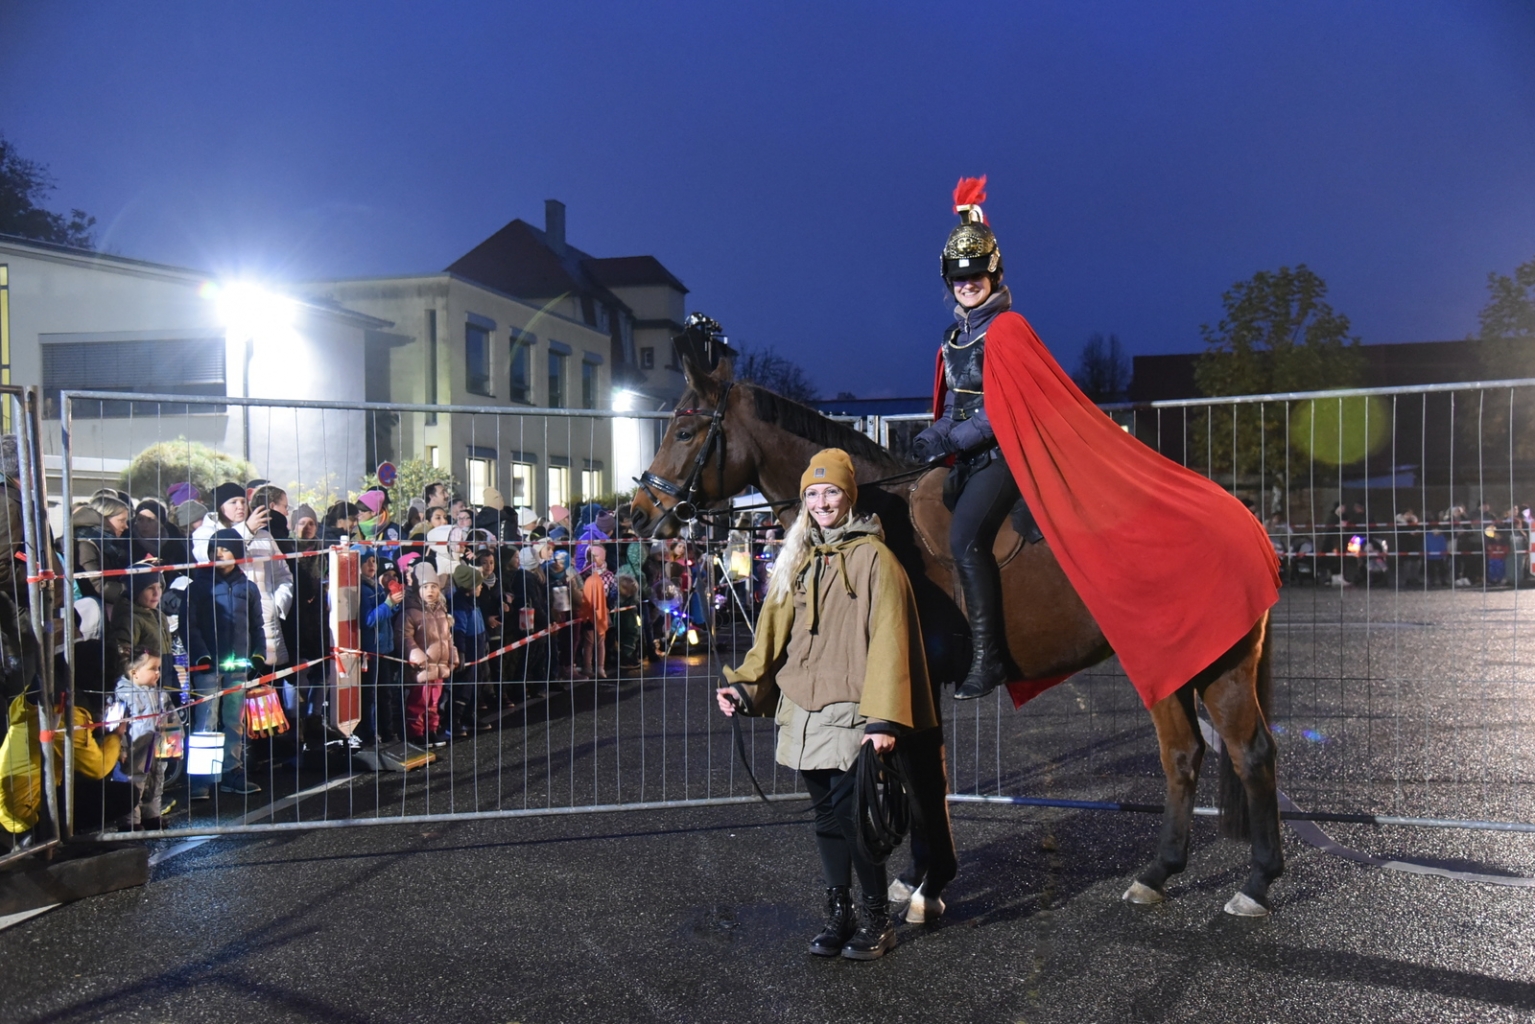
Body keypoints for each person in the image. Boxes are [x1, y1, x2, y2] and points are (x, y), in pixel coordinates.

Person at [910, 176, 1279, 705]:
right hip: (970, 453)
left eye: (976, 277)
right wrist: (935, 433)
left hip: (1005, 454)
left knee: (965, 536)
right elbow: (960, 402)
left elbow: (1006, 410)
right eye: (959, 280)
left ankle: (987, 657)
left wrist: (958, 433)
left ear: (993, 275)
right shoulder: (954, 337)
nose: (968, 286)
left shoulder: (1007, 328)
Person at [716, 449, 938, 961]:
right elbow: (770, 633)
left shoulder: (875, 557)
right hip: (802, 707)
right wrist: (744, 686)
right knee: (825, 819)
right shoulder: (797, 556)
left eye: (830, 492)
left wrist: (883, 718)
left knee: (857, 818)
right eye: (812, 493)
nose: (820, 502)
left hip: (852, 710)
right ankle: (840, 915)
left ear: (848, 496)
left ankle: (877, 919)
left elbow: (890, 637)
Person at [184, 528, 268, 796]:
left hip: (238, 668)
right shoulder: (197, 588)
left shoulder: (249, 588)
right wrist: (201, 655)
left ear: (238, 554)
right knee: (205, 721)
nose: (219, 554)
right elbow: (190, 626)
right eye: (214, 550)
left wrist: (259, 654)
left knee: (234, 720)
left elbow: (258, 626)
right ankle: (202, 778)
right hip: (208, 668)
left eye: (225, 549)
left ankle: (232, 770)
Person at [113, 648, 176, 830]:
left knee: (156, 780)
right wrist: (121, 749)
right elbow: (116, 726)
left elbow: (171, 718)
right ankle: (130, 821)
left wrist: (175, 742)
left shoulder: (159, 693)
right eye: (153, 669)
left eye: (159, 669)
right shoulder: (122, 694)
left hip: (157, 747)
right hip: (135, 749)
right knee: (133, 782)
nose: (157, 673)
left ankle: (151, 815)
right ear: (134, 673)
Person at [403, 562, 457, 746]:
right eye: (425, 587)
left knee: (434, 700)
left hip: (439, 665)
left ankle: (432, 729)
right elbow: (404, 637)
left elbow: (447, 637)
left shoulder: (441, 611)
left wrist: (453, 656)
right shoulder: (410, 612)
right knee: (419, 700)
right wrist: (416, 655)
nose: (430, 591)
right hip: (422, 666)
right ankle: (415, 733)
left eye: (434, 586)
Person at [356, 546, 404, 746]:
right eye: (367, 561)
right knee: (370, 696)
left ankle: (388, 733)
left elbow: (385, 616)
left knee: (385, 693)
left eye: (374, 561)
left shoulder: (375, 587)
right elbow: (368, 620)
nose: (372, 565)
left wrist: (395, 603)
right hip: (371, 651)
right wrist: (389, 604)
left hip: (384, 648)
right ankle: (370, 735)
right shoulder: (361, 590)